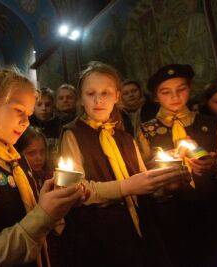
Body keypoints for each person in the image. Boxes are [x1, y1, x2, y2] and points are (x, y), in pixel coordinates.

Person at [0, 68, 86, 266]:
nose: (26, 122)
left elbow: (31, 217)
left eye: (29, 114)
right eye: (19, 111)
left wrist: (57, 204)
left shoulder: (16, 159)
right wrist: (43, 215)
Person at [59, 61, 189, 267]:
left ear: (117, 97)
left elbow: (143, 181)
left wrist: (164, 185)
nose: (98, 100)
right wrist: (125, 187)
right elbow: (73, 190)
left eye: (106, 93)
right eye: (90, 93)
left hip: (141, 229)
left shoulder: (125, 138)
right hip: (102, 235)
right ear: (81, 98)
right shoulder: (73, 134)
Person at [138, 64, 217, 266]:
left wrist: (214, 166)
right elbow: (141, 169)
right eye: (166, 92)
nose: (175, 97)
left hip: (212, 207)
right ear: (155, 97)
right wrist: (157, 164)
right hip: (170, 212)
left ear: (190, 89)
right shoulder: (147, 130)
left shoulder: (211, 124)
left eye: (181, 89)